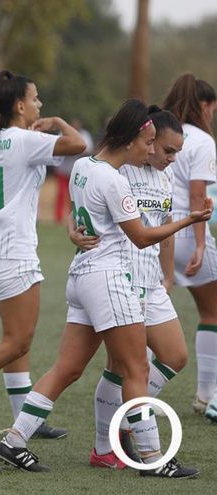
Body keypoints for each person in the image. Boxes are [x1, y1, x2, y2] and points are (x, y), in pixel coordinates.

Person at [0, 99, 212, 475]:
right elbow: (141, 235)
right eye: (153, 145)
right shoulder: (115, 175)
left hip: (88, 276)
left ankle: (14, 439)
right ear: (132, 140)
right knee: (135, 369)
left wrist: (163, 270)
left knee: (71, 368)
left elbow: (90, 212)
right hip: (112, 278)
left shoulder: (85, 165)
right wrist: (189, 221)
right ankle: (150, 457)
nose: (153, 152)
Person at [0, 71, 86, 438]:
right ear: (19, 105)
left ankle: (25, 416)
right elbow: (78, 145)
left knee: (16, 341)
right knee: (17, 341)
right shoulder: (26, 140)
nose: (40, 104)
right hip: (15, 251)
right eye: (36, 98)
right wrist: (59, 123)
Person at [72, 107, 197, 476]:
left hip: (152, 281)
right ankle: (121, 447)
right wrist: (71, 229)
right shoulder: (121, 167)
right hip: (119, 279)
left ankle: (129, 420)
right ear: (147, 142)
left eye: (177, 152)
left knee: (174, 355)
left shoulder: (165, 175)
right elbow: (86, 202)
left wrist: (167, 276)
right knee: (125, 367)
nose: (172, 158)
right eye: (168, 150)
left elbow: (165, 224)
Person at [161, 73, 217, 418]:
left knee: (149, 317)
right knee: (212, 312)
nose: (212, 114)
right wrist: (200, 244)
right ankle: (206, 395)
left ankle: (134, 389)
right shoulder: (202, 140)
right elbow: (198, 194)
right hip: (187, 231)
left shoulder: (160, 132)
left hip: (157, 234)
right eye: (212, 108)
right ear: (203, 105)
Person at [54, 118, 94, 223]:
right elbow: (57, 149)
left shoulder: (85, 134)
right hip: (63, 170)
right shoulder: (62, 134)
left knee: (75, 195)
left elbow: (88, 150)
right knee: (61, 194)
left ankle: (74, 218)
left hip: (76, 172)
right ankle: (58, 218)